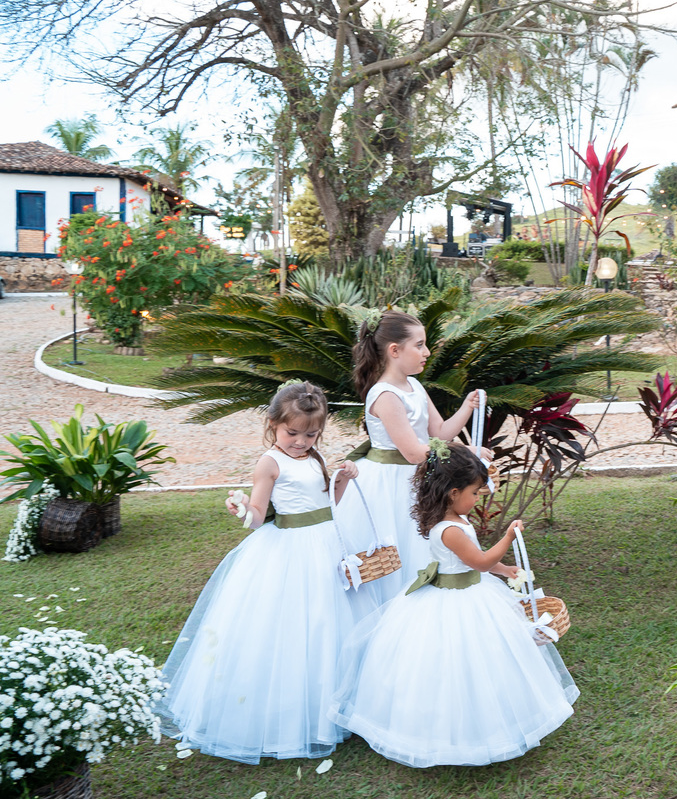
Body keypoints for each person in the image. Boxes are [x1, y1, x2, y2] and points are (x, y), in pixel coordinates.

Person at [330, 442, 578, 767]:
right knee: (457, 663)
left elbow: (475, 562)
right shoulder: (449, 530)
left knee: (491, 657)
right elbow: (479, 560)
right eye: (475, 493)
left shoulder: (454, 519)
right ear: (452, 492)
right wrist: (508, 537)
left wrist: (503, 570)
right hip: (456, 600)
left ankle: (496, 717)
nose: (479, 498)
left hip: (471, 588)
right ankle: (460, 733)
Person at [158, 382, 360, 764]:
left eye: (310, 434)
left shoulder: (314, 458)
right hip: (290, 551)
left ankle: (327, 708)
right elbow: (258, 514)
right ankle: (284, 715)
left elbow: (327, 505)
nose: (301, 441)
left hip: (324, 543)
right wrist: (243, 511)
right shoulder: (270, 462)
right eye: (292, 433)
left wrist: (343, 479)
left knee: (325, 623)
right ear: (273, 425)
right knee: (291, 629)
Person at [344, 310, 483, 601]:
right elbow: (412, 452)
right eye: (419, 345)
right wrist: (466, 451)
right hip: (391, 485)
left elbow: (440, 433)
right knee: (402, 552)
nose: (427, 351)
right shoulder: (385, 395)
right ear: (394, 350)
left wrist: (467, 407)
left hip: (417, 477)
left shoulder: (414, 386)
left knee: (423, 546)